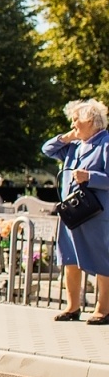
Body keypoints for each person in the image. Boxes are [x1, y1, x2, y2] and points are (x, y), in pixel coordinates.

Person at [42, 98, 109, 324]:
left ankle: (103, 309)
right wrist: (66, 137)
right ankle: (72, 308)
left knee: (101, 262)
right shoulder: (74, 145)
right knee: (69, 259)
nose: (73, 125)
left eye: (75, 121)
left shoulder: (106, 144)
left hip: (96, 215)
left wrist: (90, 177)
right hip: (71, 213)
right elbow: (47, 149)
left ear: (90, 120)